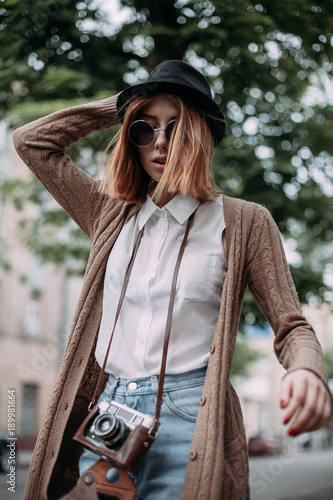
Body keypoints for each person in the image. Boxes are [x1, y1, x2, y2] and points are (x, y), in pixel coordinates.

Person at [13, 60, 330, 500]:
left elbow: (292, 326)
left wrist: (307, 370)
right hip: (109, 416)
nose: (159, 142)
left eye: (176, 127)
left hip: (190, 416)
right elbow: (32, 142)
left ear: (200, 133)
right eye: (145, 129)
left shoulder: (244, 223)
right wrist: (124, 106)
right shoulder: (109, 213)